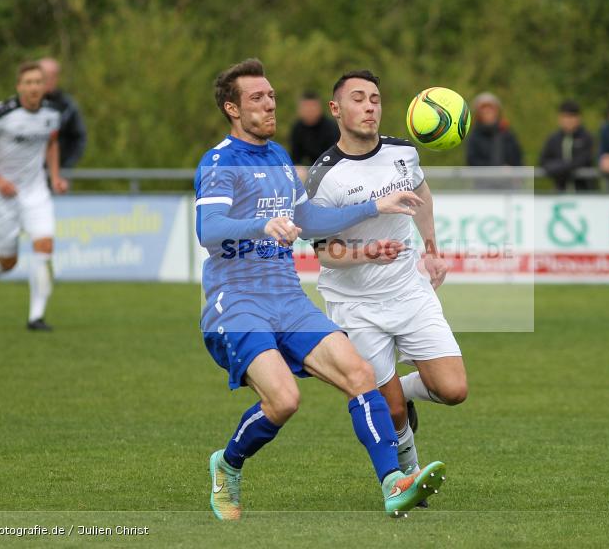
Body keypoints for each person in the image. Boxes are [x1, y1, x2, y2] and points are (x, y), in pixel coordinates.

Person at [197, 59, 446, 521]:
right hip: (237, 302)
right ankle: (227, 463)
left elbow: (310, 221)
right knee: (285, 400)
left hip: (288, 299)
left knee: (360, 375)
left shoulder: (276, 157)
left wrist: (377, 203)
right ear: (232, 108)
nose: (269, 103)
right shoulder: (219, 161)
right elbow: (207, 227)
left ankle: (394, 483)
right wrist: (261, 224)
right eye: (257, 98)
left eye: (271, 95)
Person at [306, 70, 467, 502]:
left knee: (453, 390)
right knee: (391, 411)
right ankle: (409, 473)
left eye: (375, 98)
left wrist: (432, 248)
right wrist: (365, 252)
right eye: (358, 99)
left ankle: (399, 390)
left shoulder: (403, 152)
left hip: (408, 291)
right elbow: (321, 253)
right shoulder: (326, 178)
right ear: (337, 110)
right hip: (354, 305)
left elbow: (422, 194)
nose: (370, 106)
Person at [0, 61, 69, 331]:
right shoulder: (2, 113)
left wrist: (55, 177)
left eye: (38, 82)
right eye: (29, 82)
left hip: (36, 192)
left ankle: (35, 317)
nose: (34, 87)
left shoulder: (51, 114)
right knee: (8, 261)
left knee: (45, 246)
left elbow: (52, 143)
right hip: (3, 194)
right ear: (19, 87)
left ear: (44, 86)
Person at [464, 92, 522, 189]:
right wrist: (496, 171)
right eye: (483, 109)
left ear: (496, 111)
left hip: (508, 186)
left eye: (490, 109)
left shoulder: (507, 134)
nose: (487, 112)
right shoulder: (474, 137)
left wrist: (514, 172)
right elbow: (472, 161)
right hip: (483, 187)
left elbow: (517, 158)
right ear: (479, 113)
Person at [39, 57, 87, 169]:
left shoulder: (68, 106)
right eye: (45, 76)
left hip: (59, 171)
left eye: (52, 76)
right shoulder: (24, 105)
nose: (48, 80)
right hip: (28, 174)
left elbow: (79, 137)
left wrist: (67, 165)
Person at [538, 100, 596, 192]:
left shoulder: (586, 138)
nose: (568, 120)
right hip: (560, 191)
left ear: (578, 118)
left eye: (571, 117)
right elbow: (543, 161)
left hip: (584, 192)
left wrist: (560, 168)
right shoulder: (553, 139)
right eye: (565, 117)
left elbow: (583, 160)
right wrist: (563, 167)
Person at [288, 91, 340, 181]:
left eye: (313, 107)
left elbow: (335, 156)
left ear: (319, 108)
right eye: (306, 108)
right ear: (300, 110)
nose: (309, 111)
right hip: (309, 169)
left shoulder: (331, 127)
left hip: (330, 168)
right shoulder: (297, 128)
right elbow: (295, 158)